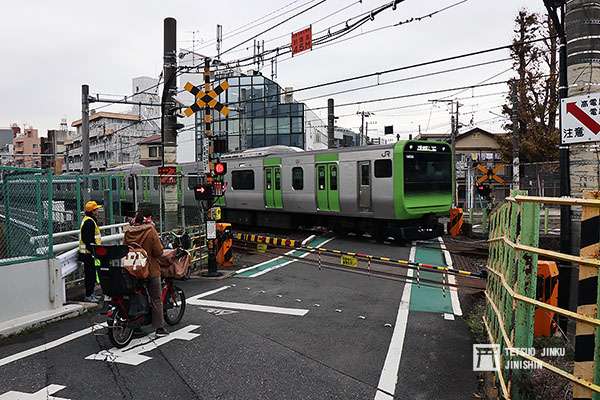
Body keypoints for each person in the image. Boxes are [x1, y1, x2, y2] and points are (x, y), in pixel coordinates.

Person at [123, 206, 169, 337]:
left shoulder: (128, 231)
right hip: (150, 269)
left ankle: (135, 326)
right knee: (156, 298)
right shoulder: (150, 230)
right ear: (149, 218)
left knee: (134, 295)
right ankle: (159, 328)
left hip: (132, 268)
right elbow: (159, 252)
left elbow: (124, 247)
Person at [78, 201, 102, 303]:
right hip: (88, 254)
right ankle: (89, 295)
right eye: (96, 209)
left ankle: (91, 294)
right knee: (90, 275)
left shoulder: (88, 220)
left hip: (87, 253)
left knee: (91, 274)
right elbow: (88, 239)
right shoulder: (89, 222)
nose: (98, 211)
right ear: (92, 211)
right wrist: (93, 252)